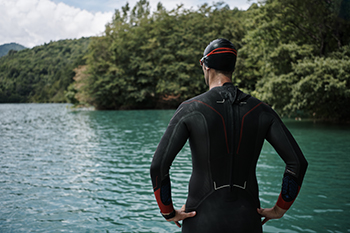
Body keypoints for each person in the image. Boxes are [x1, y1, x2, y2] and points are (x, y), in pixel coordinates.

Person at [150, 38, 308, 232]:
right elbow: (297, 163)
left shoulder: (191, 109)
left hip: (200, 221)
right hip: (247, 220)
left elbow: (158, 166)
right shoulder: (261, 110)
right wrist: (279, 209)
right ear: (232, 67)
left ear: (205, 65)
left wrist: (168, 212)